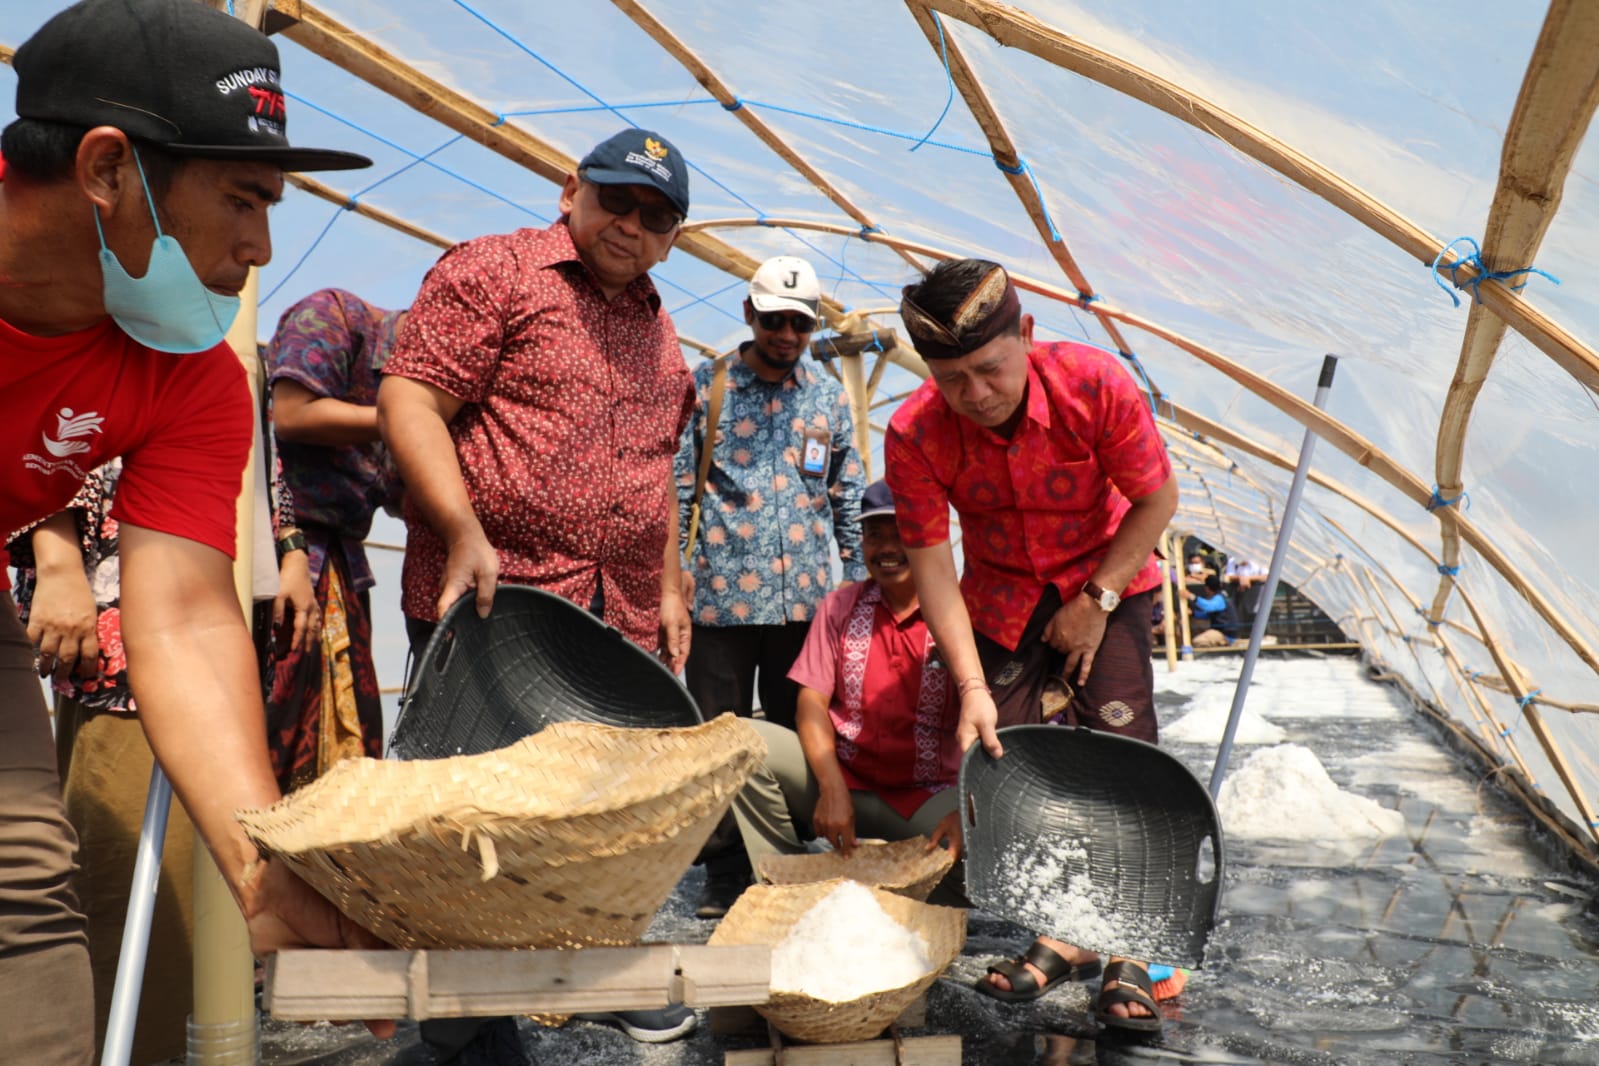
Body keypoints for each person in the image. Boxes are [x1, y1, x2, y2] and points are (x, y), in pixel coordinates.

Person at [0, 1, 386, 1061]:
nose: (261, 247)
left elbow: (180, 622)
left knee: (22, 880)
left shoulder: (192, 381)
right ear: (107, 168)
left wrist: (264, 868)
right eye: (243, 199)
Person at [376, 127, 698, 1044]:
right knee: (473, 810)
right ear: (571, 192)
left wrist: (668, 584)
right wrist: (463, 528)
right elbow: (410, 399)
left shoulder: (659, 326)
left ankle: (598, 960)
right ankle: (463, 1019)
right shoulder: (496, 271)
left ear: (673, 236)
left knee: (596, 813)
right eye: (616, 200)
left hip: (613, 611)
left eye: (656, 216)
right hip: (497, 598)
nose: (631, 226)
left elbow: (655, 467)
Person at [883, 258, 1178, 1033]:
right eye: (951, 380)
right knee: (1013, 766)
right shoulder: (913, 430)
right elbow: (931, 566)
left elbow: (1154, 497)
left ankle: (1127, 948)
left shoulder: (1093, 384)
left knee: (1121, 756)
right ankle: (1061, 936)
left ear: (1025, 334)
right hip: (1001, 594)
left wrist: (1096, 601)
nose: (974, 395)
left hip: (1105, 574)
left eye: (989, 369)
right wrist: (971, 684)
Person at [7, 454, 316, 1063]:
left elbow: (252, 447)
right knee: (126, 897)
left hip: (219, 631)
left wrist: (290, 546)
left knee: (209, 912)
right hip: (120, 644)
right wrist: (57, 557)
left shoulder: (212, 374)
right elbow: (47, 428)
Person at [673, 254, 866, 917]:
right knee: (720, 738)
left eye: (800, 324)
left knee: (799, 732)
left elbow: (845, 493)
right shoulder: (709, 386)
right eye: (776, 320)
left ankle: (791, 856)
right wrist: (672, 578)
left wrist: (860, 579)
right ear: (750, 314)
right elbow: (676, 489)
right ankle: (725, 870)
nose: (787, 334)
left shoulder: (826, 396)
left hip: (805, 605)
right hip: (721, 601)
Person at [728, 480, 961, 871]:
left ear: (927, 537)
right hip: (846, 784)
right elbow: (811, 703)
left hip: (927, 797)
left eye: (900, 534)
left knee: (961, 869)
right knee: (739, 740)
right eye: (874, 536)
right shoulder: (840, 606)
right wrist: (832, 785)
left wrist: (965, 809)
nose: (886, 548)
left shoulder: (959, 610)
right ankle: (786, 873)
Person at [266, 288, 405, 791]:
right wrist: (406, 420)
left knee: (347, 757)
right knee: (271, 740)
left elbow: (403, 498)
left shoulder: (428, 399)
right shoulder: (334, 315)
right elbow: (293, 411)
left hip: (339, 571)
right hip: (280, 554)